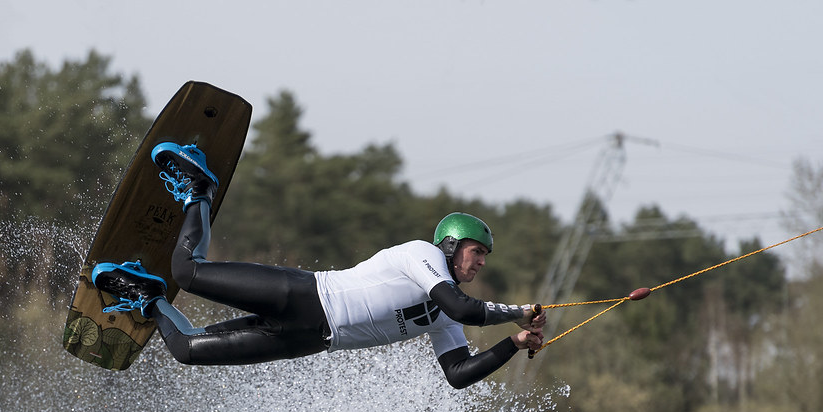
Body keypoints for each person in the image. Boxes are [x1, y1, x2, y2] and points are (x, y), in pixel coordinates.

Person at [92, 143, 545, 389]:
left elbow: (458, 375)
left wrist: (514, 343)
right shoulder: (422, 257)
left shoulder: (446, 314)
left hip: (308, 339)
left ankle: (146, 298)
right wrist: (517, 311)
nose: (480, 261)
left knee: (186, 351)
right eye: (476, 251)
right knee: (187, 273)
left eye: (484, 256)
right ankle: (198, 188)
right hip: (305, 295)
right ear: (450, 244)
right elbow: (463, 307)